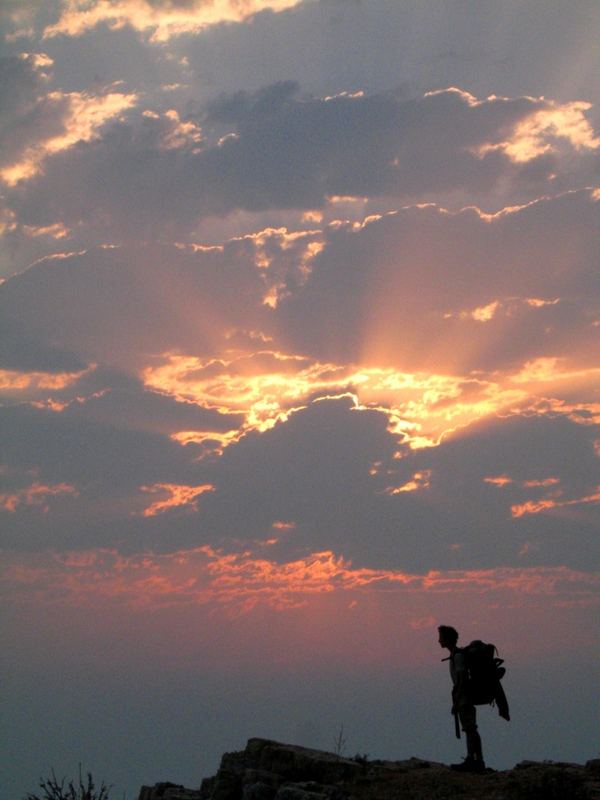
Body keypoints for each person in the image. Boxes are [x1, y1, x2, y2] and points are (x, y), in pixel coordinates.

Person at [438, 625, 486, 773]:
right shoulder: (455, 655)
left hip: (465, 698)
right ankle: (475, 760)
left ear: (447, 639)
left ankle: (474, 761)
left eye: (441, 637)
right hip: (464, 697)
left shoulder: (458, 656)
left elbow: (462, 678)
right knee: (470, 729)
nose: (439, 640)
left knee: (470, 729)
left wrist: (457, 699)